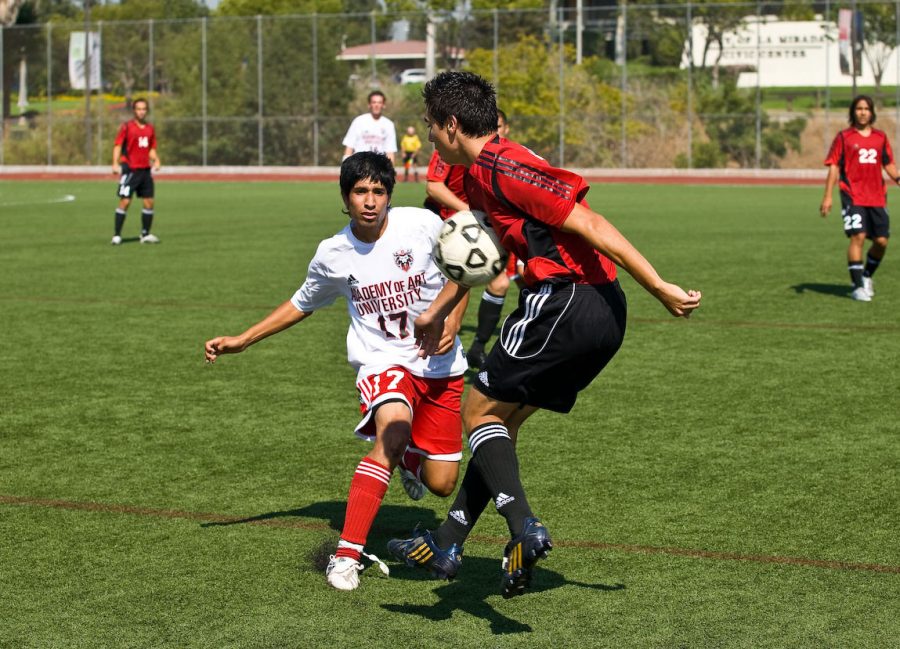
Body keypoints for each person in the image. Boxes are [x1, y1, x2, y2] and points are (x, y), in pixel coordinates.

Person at [388, 71, 701, 599]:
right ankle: (448, 541)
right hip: (599, 316)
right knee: (499, 427)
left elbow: (593, 224)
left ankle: (523, 529)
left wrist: (659, 285)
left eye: (429, 125)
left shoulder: (503, 165)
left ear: (450, 124)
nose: (427, 134)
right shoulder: (482, 175)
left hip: (568, 302)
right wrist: (437, 313)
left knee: (478, 414)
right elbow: (483, 255)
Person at [204, 152, 468, 592]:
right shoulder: (333, 253)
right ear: (345, 198)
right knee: (393, 432)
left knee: (442, 484)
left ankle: (409, 461)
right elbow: (300, 303)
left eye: (378, 191)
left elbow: (465, 267)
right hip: (382, 360)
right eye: (360, 192)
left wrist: (455, 318)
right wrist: (243, 339)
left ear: (389, 195)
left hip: (441, 365)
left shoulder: (421, 225)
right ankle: (346, 554)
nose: (370, 201)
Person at [820, 94, 896, 302]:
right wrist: (828, 196)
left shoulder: (880, 138)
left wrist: (897, 177)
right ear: (853, 112)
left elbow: (888, 163)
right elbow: (834, 166)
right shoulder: (844, 137)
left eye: (866, 109)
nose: (863, 112)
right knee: (858, 236)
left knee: (881, 241)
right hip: (853, 195)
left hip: (877, 197)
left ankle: (867, 276)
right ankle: (857, 286)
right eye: (859, 108)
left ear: (872, 112)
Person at [110, 97, 161, 245]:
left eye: (144, 109)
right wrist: (115, 163)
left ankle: (145, 234)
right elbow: (118, 145)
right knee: (125, 201)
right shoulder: (127, 127)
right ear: (134, 111)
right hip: (130, 170)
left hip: (145, 171)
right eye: (139, 109)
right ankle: (117, 235)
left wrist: (156, 159)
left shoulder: (150, 129)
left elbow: (151, 149)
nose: (141, 112)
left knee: (149, 202)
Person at [342, 90, 398, 164]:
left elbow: (390, 152)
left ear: (383, 105)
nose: (376, 105)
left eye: (379, 102)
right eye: (374, 102)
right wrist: (345, 169)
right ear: (369, 105)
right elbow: (349, 147)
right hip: (359, 167)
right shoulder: (359, 121)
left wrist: (390, 172)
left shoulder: (389, 125)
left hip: (378, 168)